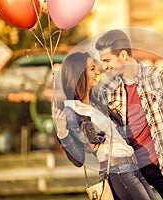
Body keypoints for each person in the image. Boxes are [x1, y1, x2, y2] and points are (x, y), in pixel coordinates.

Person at [94, 29, 163, 200]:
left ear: (124, 55)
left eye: (107, 60)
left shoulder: (161, 76)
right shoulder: (108, 90)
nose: (104, 66)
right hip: (131, 169)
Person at [52, 51, 157, 200]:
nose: (97, 72)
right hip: (118, 170)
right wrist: (62, 133)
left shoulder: (97, 104)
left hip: (133, 165)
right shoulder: (72, 112)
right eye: (92, 69)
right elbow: (79, 159)